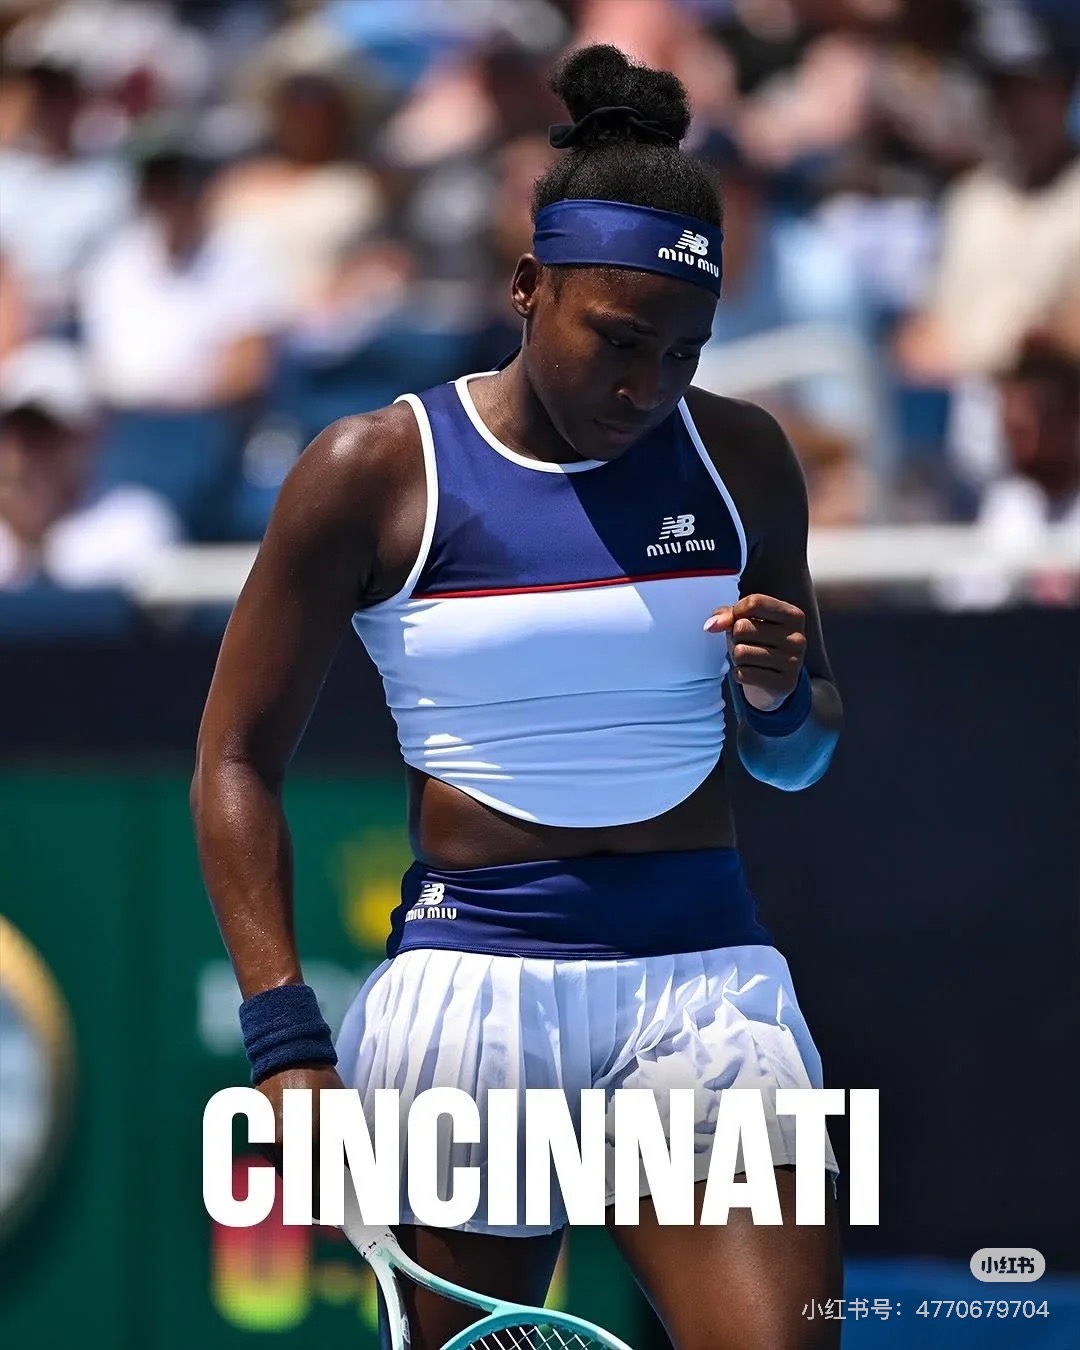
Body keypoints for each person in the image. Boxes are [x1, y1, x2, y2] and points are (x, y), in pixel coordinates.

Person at [192, 44, 844, 1350]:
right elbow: (235, 760)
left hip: (708, 987)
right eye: (619, 341)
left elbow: (799, 754)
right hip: (472, 995)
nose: (648, 387)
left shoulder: (744, 459)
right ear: (527, 285)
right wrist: (285, 1041)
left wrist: (779, 700)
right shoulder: (373, 470)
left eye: (683, 352)